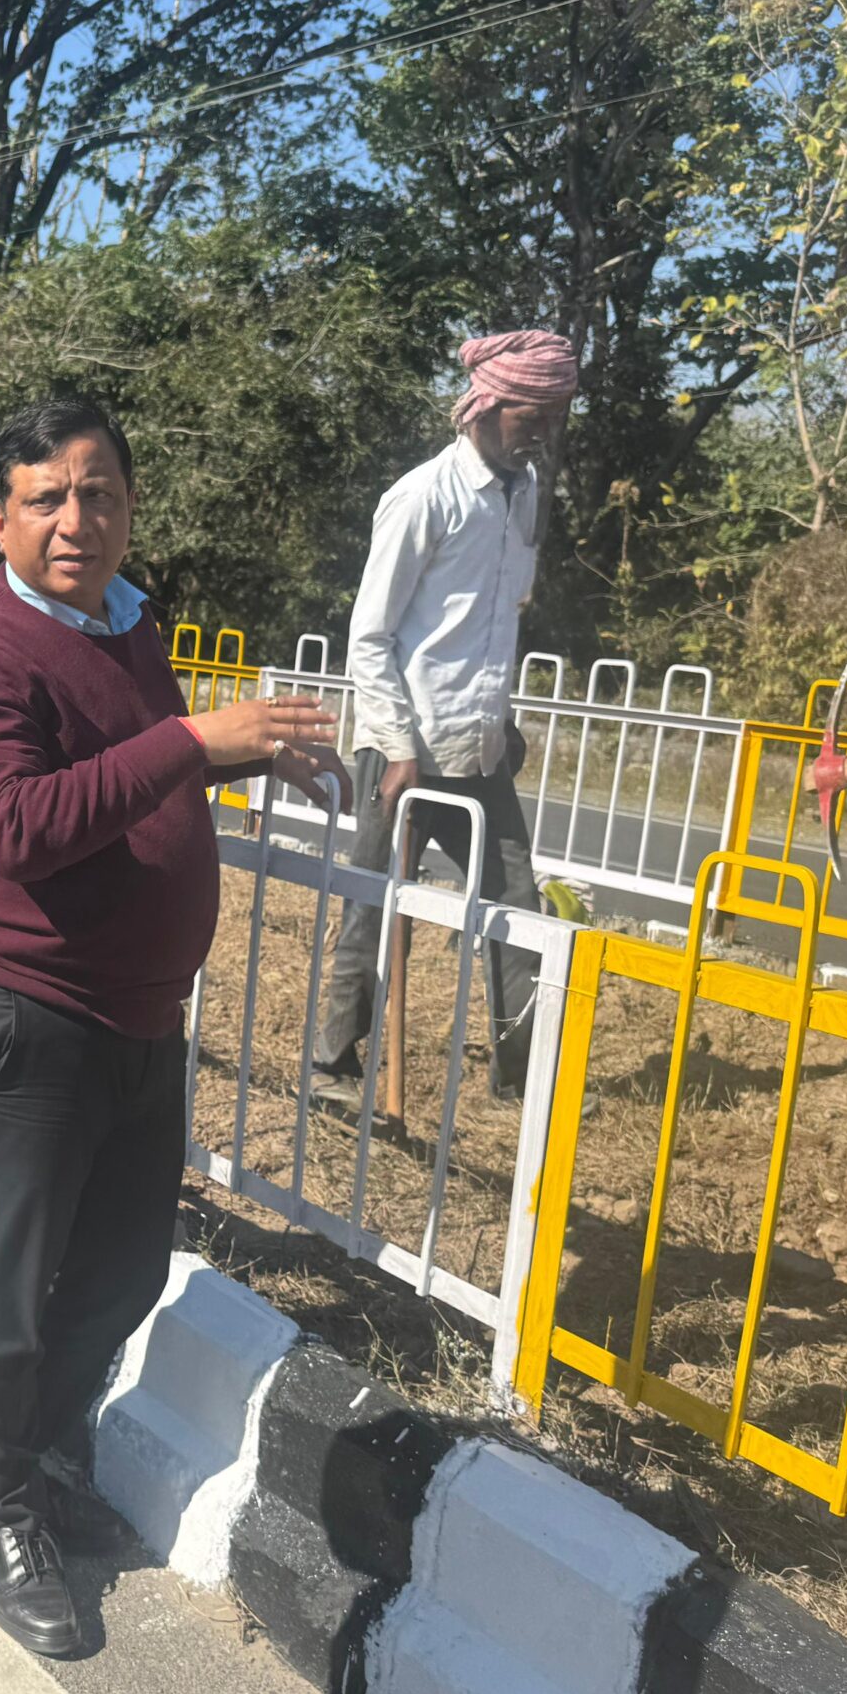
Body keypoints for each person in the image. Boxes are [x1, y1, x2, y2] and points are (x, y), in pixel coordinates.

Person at [0, 397, 342, 1658]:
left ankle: (12, 1460)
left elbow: (131, 764)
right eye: (45, 498)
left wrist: (238, 755)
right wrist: (191, 740)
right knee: (12, 1287)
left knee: (120, 1274)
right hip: (28, 1009)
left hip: (142, 1015)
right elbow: (13, 826)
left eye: (96, 493)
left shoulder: (126, 625)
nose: (74, 520)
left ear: (128, 507)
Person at [306, 330, 577, 1116]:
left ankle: (520, 1074)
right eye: (531, 415)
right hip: (405, 752)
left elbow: (491, 624)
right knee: (372, 903)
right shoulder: (424, 495)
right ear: (485, 406)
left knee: (516, 909)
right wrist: (398, 747)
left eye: (553, 417)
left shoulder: (523, 493)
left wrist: (502, 718)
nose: (541, 432)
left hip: (478, 752)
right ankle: (331, 1063)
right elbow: (371, 636)